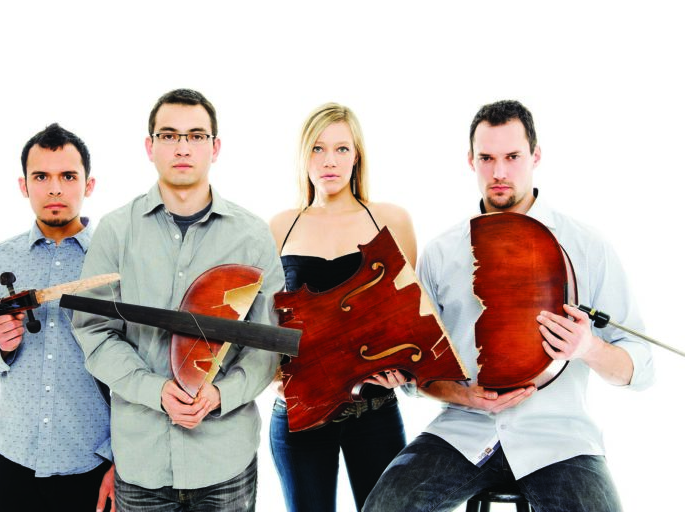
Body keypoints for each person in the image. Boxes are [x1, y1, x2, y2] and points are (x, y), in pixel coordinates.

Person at [364, 100, 655, 512]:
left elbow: (641, 368)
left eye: (512, 157)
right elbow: (419, 375)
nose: (499, 172)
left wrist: (588, 347)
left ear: (535, 156)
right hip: (462, 430)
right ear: (471, 161)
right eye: (487, 158)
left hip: (560, 438)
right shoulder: (442, 252)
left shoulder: (587, 246)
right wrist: (465, 396)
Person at [71, 88, 284, 512]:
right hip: (141, 461)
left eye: (196, 136)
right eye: (168, 135)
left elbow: (269, 341)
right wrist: (155, 390)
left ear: (215, 147)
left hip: (224, 460)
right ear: (149, 146)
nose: (182, 147)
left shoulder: (252, 235)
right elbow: (94, 332)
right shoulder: (115, 232)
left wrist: (221, 393)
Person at [0, 123, 115, 511]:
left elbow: (142, 364)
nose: (55, 189)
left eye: (68, 176)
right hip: (12, 463)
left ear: (89, 185)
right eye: (41, 176)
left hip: (92, 464)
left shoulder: (114, 262)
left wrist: (120, 460)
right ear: (24, 185)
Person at [269, 102, 417, 512]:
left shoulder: (391, 220)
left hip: (374, 410)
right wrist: (272, 378)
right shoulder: (280, 226)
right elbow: (264, 326)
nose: (329, 161)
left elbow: (408, 321)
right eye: (317, 149)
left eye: (341, 149)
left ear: (357, 156)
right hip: (300, 414)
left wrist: (401, 371)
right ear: (303, 156)